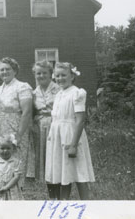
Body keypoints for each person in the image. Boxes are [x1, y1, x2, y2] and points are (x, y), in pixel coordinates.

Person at [45, 62, 95, 200]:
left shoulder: (77, 93)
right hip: (58, 137)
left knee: (79, 172)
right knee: (63, 173)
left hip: (71, 136)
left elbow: (80, 120)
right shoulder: (59, 94)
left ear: (72, 76)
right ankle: (63, 205)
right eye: (57, 76)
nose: (60, 78)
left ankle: (86, 205)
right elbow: (56, 119)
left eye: (64, 75)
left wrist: (73, 144)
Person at [0, 57, 33, 188]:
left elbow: (27, 112)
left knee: (14, 167)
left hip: (15, 131)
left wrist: (18, 135)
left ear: (15, 70)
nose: (4, 72)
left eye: (7, 69)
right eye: (1, 70)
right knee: (0, 167)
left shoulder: (22, 87)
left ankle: (17, 195)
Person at [30, 60, 60, 199]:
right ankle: (52, 196)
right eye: (38, 73)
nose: (41, 75)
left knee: (56, 160)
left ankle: (60, 195)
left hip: (56, 126)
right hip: (40, 129)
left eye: (44, 73)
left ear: (51, 73)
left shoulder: (59, 89)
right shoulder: (34, 92)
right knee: (46, 162)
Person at [0, 134, 23, 200]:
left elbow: (16, 177)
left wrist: (6, 187)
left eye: (8, 148)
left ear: (13, 149)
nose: (5, 150)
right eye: (2, 148)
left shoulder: (16, 163)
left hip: (12, 191)